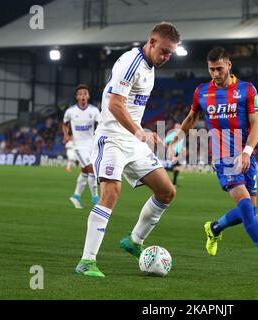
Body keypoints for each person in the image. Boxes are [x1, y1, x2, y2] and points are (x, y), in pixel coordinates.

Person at [75, 22, 180, 277]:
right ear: (152, 42)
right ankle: (87, 261)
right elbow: (115, 105)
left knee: (167, 192)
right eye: (164, 51)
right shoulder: (130, 63)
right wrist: (139, 131)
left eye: (170, 54)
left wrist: (138, 134)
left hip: (133, 141)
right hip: (111, 138)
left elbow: (131, 107)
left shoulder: (150, 68)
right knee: (111, 192)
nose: (166, 57)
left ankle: (133, 240)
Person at [171, 47, 258, 269]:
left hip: (245, 157)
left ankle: (214, 228)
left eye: (219, 68)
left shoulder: (247, 90)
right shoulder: (202, 92)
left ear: (229, 65)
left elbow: (256, 124)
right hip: (223, 160)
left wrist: (247, 152)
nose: (215, 73)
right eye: (211, 69)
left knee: (249, 212)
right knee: (248, 213)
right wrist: (176, 140)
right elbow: (192, 118)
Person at [62, 84, 100, 209]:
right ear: (77, 97)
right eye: (80, 94)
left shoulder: (94, 111)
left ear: (88, 96)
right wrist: (66, 135)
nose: (83, 95)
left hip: (91, 145)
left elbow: (100, 125)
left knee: (85, 171)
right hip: (78, 146)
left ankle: (76, 196)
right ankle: (96, 199)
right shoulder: (70, 111)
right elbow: (64, 123)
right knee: (91, 170)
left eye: (85, 93)